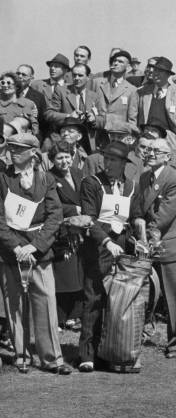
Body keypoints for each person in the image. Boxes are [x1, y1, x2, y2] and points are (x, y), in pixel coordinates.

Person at [0, 133, 70, 374]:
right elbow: (0, 220)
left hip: (39, 253)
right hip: (12, 252)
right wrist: (17, 247)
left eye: (18, 149)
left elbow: (55, 216)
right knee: (15, 305)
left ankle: (52, 359)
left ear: (32, 152)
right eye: (10, 148)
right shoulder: (2, 179)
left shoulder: (46, 179)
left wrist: (35, 246)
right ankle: (22, 356)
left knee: (47, 302)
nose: (12, 152)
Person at [131, 138, 176, 357]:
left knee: (175, 297)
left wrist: (145, 233)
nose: (150, 153)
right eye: (148, 149)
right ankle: (139, 334)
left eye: (157, 151)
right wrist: (137, 220)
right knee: (147, 295)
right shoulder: (145, 176)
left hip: (170, 245)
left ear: (168, 156)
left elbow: (164, 215)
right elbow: (139, 205)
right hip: (149, 243)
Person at [78, 141, 137, 371]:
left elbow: (136, 214)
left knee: (117, 303)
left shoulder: (131, 186)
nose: (108, 163)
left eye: (114, 160)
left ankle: (111, 351)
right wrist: (106, 241)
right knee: (94, 298)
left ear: (124, 163)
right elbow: (89, 219)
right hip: (98, 248)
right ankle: (87, 354)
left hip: (122, 249)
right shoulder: (92, 183)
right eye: (106, 159)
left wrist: (139, 231)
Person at [48, 140, 85, 331]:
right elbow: (50, 205)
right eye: (59, 158)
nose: (64, 161)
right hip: (63, 232)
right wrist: (74, 209)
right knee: (64, 274)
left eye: (67, 157)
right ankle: (61, 317)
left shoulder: (79, 174)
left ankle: (76, 315)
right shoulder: (49, 178)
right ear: (53, 160)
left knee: (80, 273)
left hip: (81, 231)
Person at [133, 57, 176, 153]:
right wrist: (139, 136)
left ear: (168, 75)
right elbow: (133, 118)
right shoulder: (142, 92)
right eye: (155, 70)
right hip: (145, 142)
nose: (156, 73)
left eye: (160, 71)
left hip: (168, 144)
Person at [45, 64, 105, 154]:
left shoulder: (95, 96)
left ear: (88, 77)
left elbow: (103, 120)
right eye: (74, 75)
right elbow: (49, 114)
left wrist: (94, 119)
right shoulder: (61, 91)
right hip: (65, 141)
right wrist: (68, 116)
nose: (76, 78)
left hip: (88, 143)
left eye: (80, 75)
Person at [0, 71, 39, 137]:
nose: (5, 85)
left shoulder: (27, 103)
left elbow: (34, 128)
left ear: (17, 86)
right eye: (3, 83)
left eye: (8, 83)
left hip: (19, 142)